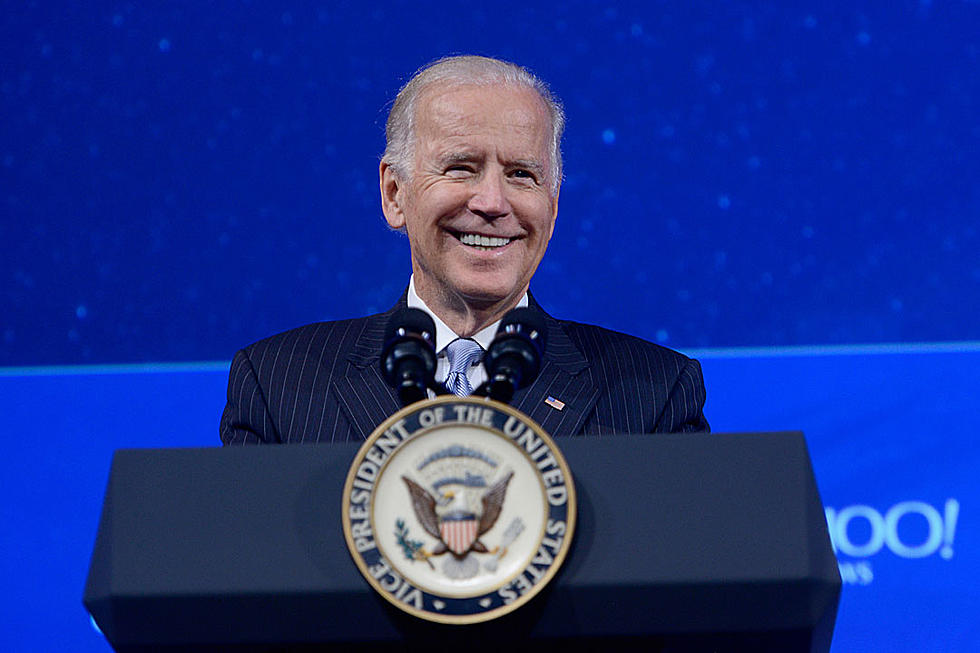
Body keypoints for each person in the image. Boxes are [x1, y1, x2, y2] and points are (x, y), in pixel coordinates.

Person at [220, 55, 707, 444]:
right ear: (395, 194)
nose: (493, 203)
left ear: (553, 207)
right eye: (461, 168)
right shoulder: (278, 385)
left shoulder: (655, 396)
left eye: (522, 174)